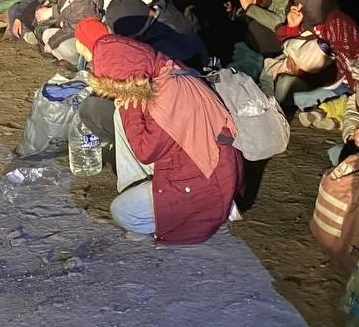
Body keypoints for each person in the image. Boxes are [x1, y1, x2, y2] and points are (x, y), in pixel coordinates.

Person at [73, 19, 242, 245]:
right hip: (203, 160)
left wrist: (130, 105)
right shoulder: (166, 71)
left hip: (203, 182)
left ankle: (169, 220)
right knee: (119, 118)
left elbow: (145, 152)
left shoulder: (166, 99)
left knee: (122, 212)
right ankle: (137, 191)